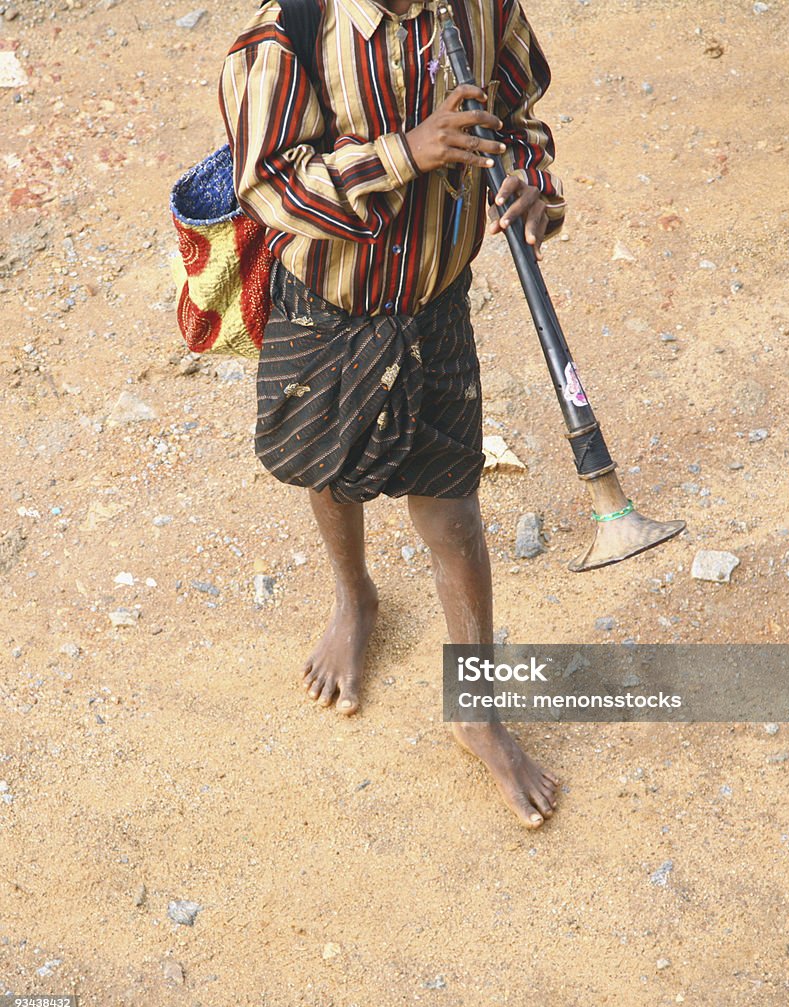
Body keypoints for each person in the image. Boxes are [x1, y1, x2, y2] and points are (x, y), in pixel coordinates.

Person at [219, 0, 565, 827]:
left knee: (452, 512)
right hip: (327, 308)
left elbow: (517, 120)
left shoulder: (482, 9)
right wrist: (403, 155)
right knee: (327, 465)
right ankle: (354, 597)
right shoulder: (287, 36)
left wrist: (533, 192)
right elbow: (265, 184)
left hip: (436, 306)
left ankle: (474, 709)